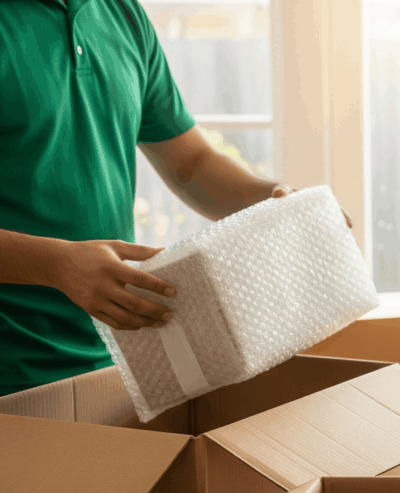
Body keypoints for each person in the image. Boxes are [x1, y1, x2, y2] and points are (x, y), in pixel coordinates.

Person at [0, 0, 347, 397]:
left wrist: (272, 199)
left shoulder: (120, 13)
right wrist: (54, 265)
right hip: (11, 372)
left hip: (123, 360)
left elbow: (192, 163)